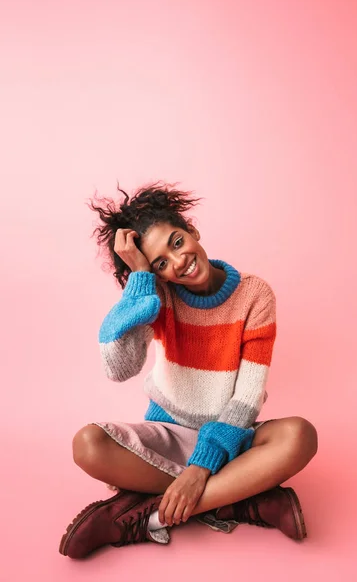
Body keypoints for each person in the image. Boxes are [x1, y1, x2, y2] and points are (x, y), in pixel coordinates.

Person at [59, 182, 318, 559]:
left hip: (232, 441)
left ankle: (151, 516)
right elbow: (118, 368)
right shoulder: (158, 295)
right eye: (161, 263)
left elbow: (247, 398)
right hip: (168, 434)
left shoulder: (254, 295)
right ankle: (236, 500)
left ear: (191, 230)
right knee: (87, 445)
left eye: (177, 242)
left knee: (300, 435)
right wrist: (140, 283)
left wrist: (201, 468)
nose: (178, 262)